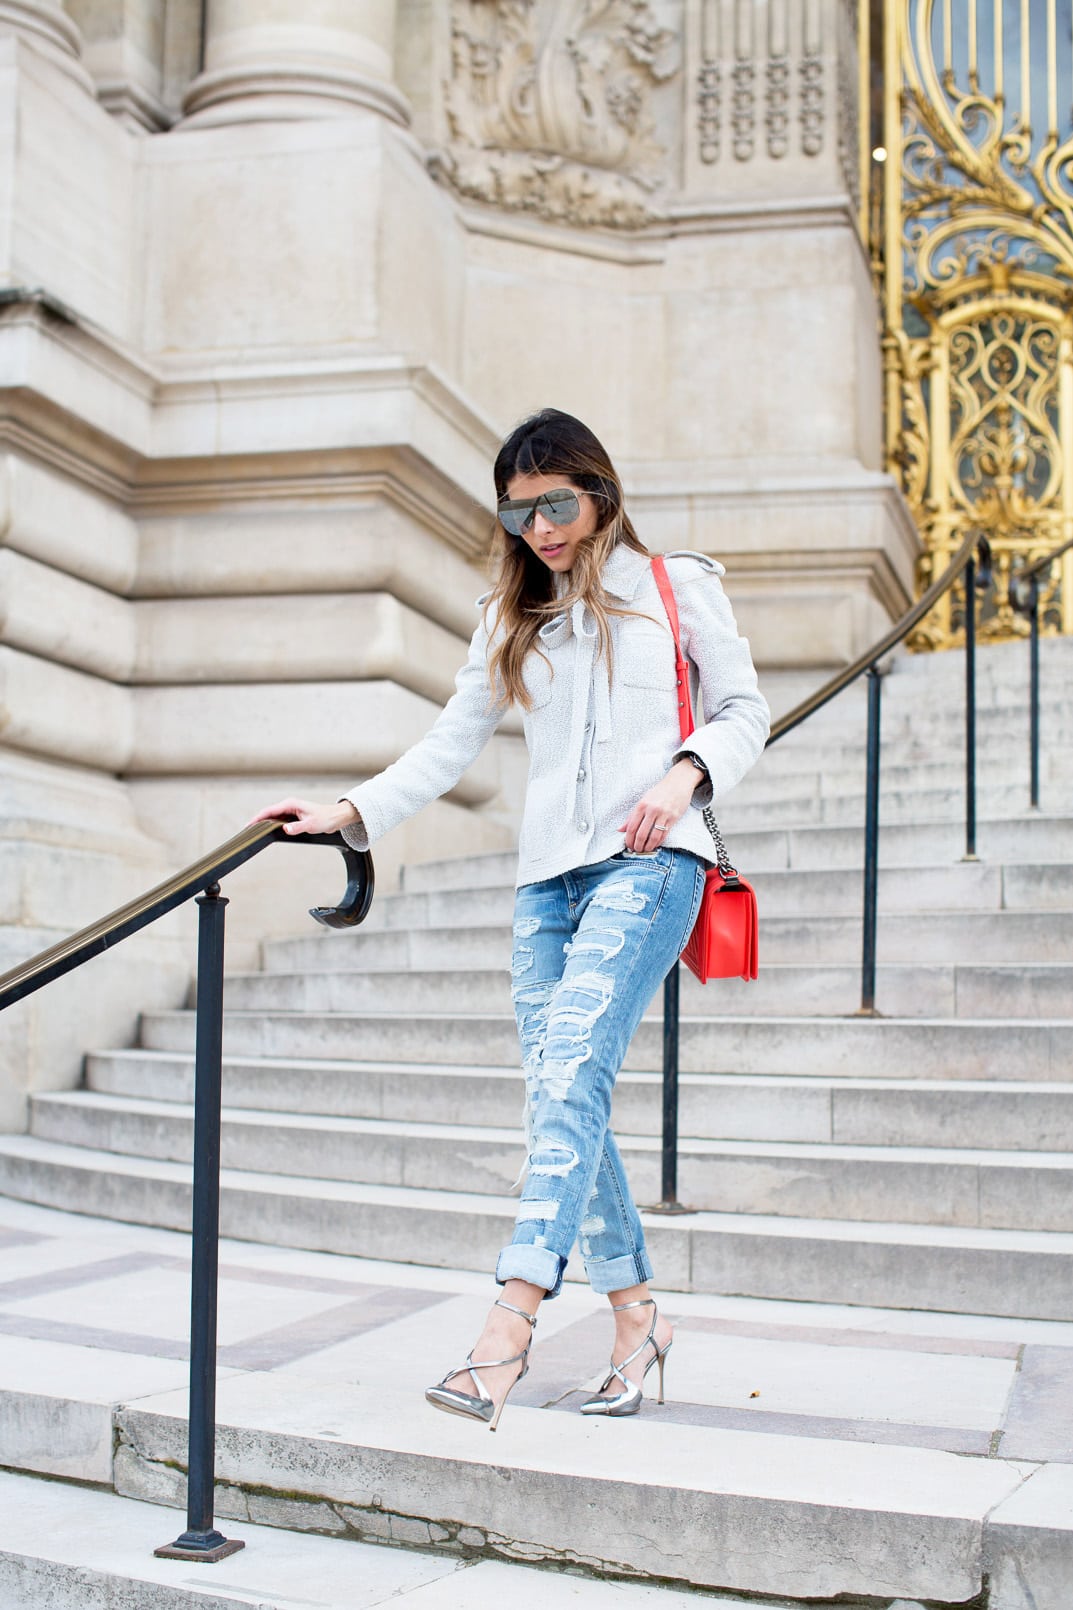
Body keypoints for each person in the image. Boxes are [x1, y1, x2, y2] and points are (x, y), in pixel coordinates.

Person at [252, 408, 769, 1431]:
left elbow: (743, 707)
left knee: (570, 1063)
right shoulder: (514, 613)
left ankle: (508, 1320)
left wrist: (683, 774)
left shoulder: (675, 586)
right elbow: (450, 741)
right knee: (561, 1087)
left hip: (649, 863)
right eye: (518, 509)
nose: (539, 527)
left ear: (600, 492)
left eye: (556, 503)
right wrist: (348, 812)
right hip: (545, 885)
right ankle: (638, 1319)